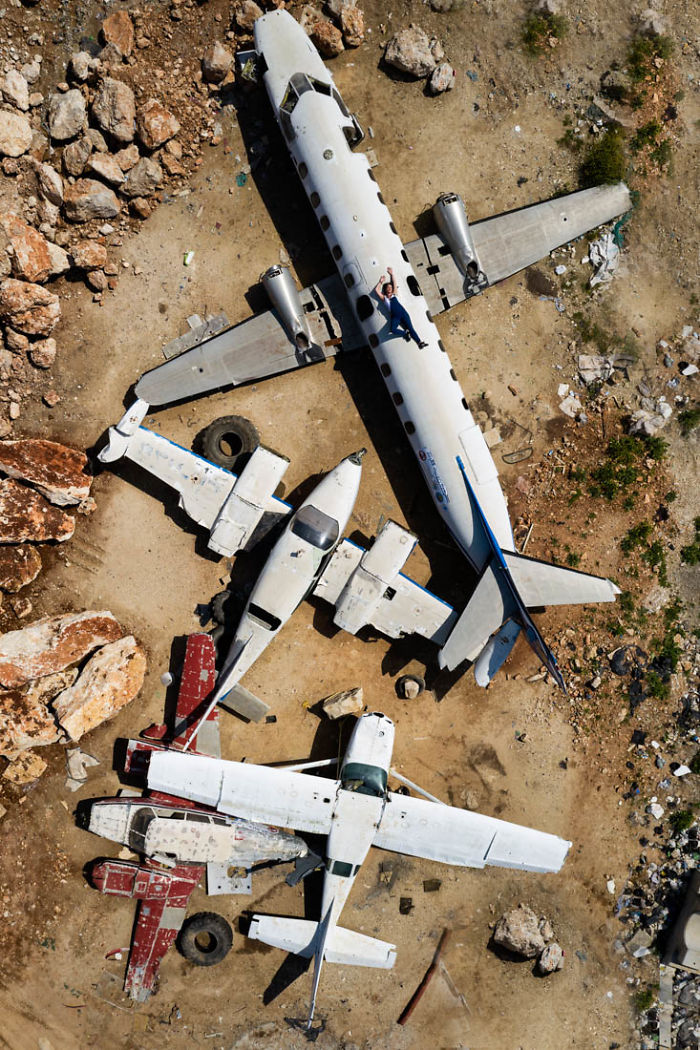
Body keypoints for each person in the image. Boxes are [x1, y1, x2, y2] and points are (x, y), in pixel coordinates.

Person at [374, 267, 428, 348]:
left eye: (390, 288)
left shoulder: (394, 294)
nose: (389, 288)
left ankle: (419, 342)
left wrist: (391, 274)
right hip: (395, 317)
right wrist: (380, 282)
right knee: (392, 329)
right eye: (388, 288)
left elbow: (394, 283)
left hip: (403, 314)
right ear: (385, 290)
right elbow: (376, 290)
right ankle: (405, 334)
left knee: (411, 328)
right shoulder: (384, 299)